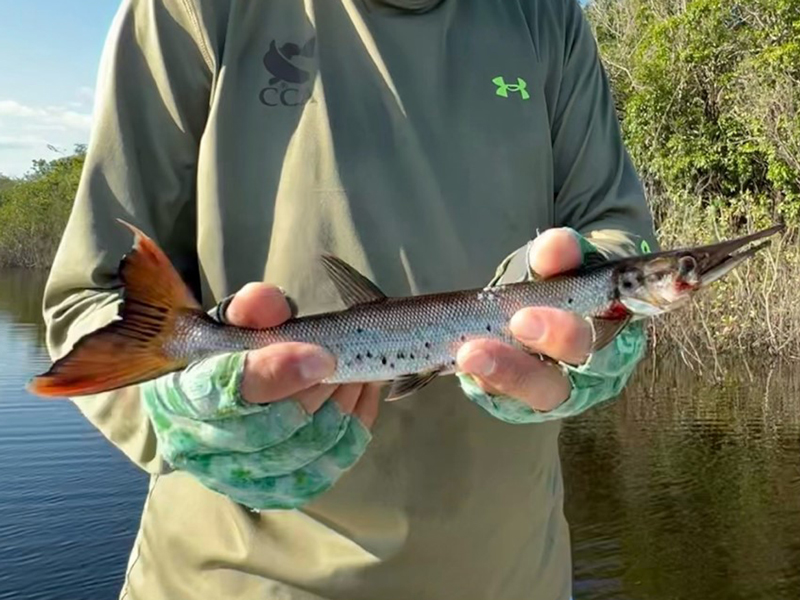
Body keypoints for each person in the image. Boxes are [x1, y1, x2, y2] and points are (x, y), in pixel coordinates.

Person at [42, 0, 657, 598]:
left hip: (515, 575)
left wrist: (588, 329)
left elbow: (612, 231)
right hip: (231, 581)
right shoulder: (191, 9)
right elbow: (91, 298)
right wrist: (175, 415)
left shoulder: (546, 15)